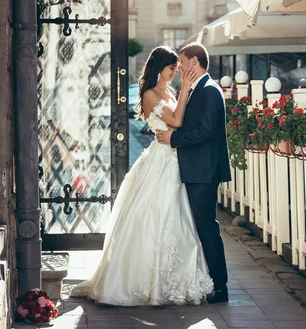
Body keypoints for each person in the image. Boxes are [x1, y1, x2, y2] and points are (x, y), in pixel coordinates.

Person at [70, 46, 214, 306]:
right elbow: (177, 121)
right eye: (173, 68)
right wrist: (185, 93)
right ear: (161, 68)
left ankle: (175, 280)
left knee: (178, 217)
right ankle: (142, 281)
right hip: (160, 159)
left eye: (177, 68)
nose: (176, 72)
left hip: (174, 158)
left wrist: (181, 93)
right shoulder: (149, 94)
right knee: (155, 214)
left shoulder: (169, 91)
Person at [156, 43, 231, 304]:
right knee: (199, 226)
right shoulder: (198, 89)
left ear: (194, 62)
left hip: (204, 171)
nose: (179, 66)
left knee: (206, 226)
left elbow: (205, 131)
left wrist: (174, 138)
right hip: (197, 169)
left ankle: (220, 287)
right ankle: (211, 280)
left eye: (182, 61)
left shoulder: (209, 91)